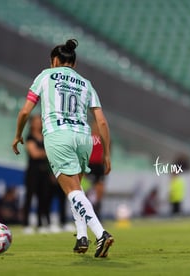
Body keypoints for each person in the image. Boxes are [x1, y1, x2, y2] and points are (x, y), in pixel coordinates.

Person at [12, 39, 114, 257]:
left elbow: (24, 112)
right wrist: (106, 153)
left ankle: (100, 233)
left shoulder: (45, 75)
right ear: (74, 64)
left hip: (59, 136)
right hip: (84, 138)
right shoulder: (86, 83)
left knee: (72, 190)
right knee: (75, 188)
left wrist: (18, 134)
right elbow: (102, 122)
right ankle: (81, 237)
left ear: (55, 61)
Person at [22, 114, 54, 234]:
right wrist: (46, 152)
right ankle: (26, 224)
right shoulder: (30, 137)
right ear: (32, 124)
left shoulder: (46, 136)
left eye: (40, 121)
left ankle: (41, 223)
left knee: (44, 197)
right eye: (36, 121)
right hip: (33, 171)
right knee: (29, 197)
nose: (38, 123)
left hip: (45, 171)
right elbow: (34, 153)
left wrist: (43, 152)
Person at [85, 119, 106, 219]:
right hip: (90, 165)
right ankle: (86, 214)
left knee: (99, 190)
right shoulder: (88, 138)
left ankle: (97, 213)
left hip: (99, 166)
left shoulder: (103, 139)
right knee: (87, 190)